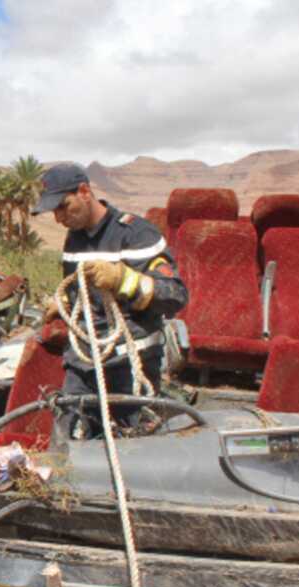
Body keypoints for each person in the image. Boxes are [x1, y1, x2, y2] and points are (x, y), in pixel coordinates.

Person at [31, 163, 188, 441]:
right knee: (69, 444)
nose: (58, 218)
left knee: (129, 447)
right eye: (54, 211)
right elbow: (82, 291)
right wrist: (65, 301)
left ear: (84, 192)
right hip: (81, 364)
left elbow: (175, 295)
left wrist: (122, 279)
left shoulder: (137, 234)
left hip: (128, 367)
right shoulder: (74, 240)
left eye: (63, 206)